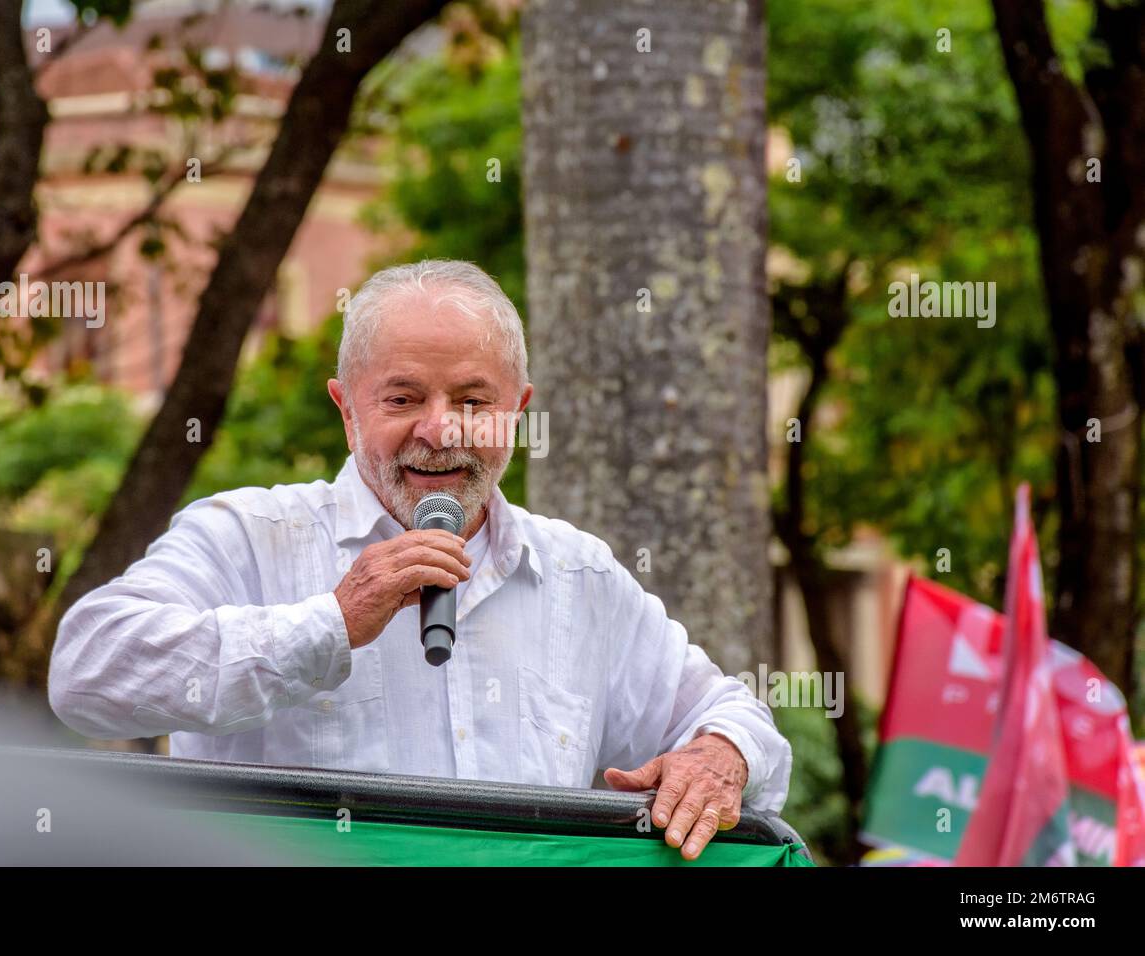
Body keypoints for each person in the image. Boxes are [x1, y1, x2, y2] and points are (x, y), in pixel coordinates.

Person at [49, 259, 792, 860]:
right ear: (346, 410)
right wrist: (330, 623)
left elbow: (732, 714)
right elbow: (86, 673)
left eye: (473, 401)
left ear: (517, 410)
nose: (440, 432)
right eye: (402, 399)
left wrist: (719, 757)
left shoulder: (579, 575)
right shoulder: (247, 535)